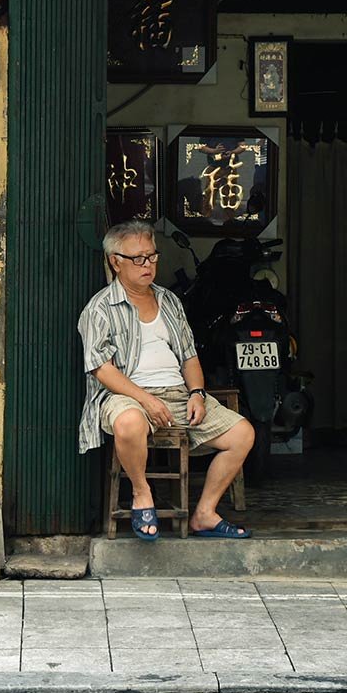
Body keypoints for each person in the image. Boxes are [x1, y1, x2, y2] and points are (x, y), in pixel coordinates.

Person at [77, 221, 257, 541]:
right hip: (127, 396)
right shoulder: (99, 308)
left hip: (177, 394)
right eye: (138, 258)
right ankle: (142, 493)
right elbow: (101, 369)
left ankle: (204, 514)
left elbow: (189, 357)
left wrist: (197, 393)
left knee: (242, 434)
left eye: (152, 256)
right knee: (129, 423)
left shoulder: (170, 301)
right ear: (115, 261)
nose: (148, 265)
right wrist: (146, 400)